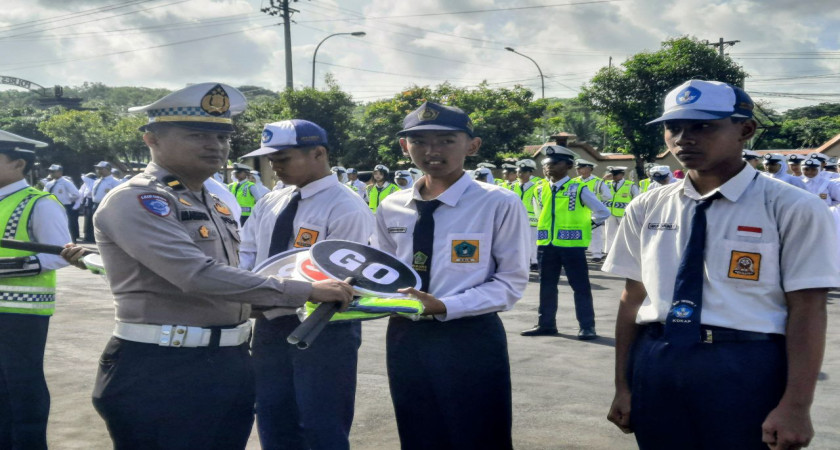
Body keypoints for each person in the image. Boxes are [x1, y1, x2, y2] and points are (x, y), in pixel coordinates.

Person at [63, 83, 354, 450]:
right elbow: (196, 275)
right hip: (162, 368)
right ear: (152, 139)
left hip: (226, 363)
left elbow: (232, 277)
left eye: (221, 135)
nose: (214, 145)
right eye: (197, 134)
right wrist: (306, 290)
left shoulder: (212, 202)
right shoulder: (138, 198)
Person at [604, 79, 839, 450]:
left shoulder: (792, 207)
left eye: (703, 126)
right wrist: (623, 385)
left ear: (745, 130)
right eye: (674, 127)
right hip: (658, 360)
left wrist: (796, 404)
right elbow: (632, 298)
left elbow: (807, 309)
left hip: (744, 365)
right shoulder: (648, 206)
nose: (684, 138)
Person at [374, 101, 529, 449]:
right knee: (417, 432)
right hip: (405, 336)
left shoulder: (497, 203)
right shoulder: (391, 205)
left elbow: (511, 281)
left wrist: (444, 306)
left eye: (446, 140)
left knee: (478, 434)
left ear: (471, 146)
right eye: (420, 141)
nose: (432, 151)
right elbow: (383, 270)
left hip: (469, 336)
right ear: (404, 147)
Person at [238, 119, 374, 450]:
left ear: (318, 153)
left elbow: (346, 280)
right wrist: (247, 295)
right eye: (271, 160)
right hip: (269, 324)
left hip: (322, 329)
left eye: (283, 158)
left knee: (320, 423)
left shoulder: (345, 206)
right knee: (272, 416)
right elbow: (248, 252)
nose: (275, 166)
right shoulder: (272, 200)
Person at [0, 131, 71, 450]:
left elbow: (60, 254)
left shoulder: (39, 202)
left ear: (18, 163)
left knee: (20, 388)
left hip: (21, 312)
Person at [521, 146, 610, 339]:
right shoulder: (539, 189)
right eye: (545, 164)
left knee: (580, 287)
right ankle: (546, 324)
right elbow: (539, 214)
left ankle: (587, 326)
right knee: (547, 287)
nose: (548, 167)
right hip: (547, 245)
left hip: (572, 246)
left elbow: (603, 212)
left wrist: (588, 226)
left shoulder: (578, 188)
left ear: (568, 165)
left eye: (554, 163)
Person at [573, 158, 612, 263]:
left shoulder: (598, 182)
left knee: (595, 234)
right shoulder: (574, 181)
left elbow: (607, 196)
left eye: (580, 168)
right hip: (578, 213)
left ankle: (596, 254)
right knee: (578, 233)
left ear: (588, 169)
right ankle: (578, 252)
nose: (577, 170)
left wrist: (596, 202)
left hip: (594, 213)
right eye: (577, 168)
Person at [514, 158, 542, 270]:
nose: (520, 174)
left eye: (524, 172)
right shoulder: (512, 186)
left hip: (532, 220)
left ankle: (534, 261)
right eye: (519, 171)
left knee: (532, 242)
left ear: (530, 173)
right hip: (515, 219)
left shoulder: (537, 187)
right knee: (516, 242)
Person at [603, 166, 638, 255]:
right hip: (610, 213)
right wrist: (603, 179)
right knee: (609, 233)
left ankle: (626, 252)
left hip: (624, 213)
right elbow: (597, 187)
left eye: (615, 174)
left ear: (622, 174)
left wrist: (632, 211)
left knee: (625, 233)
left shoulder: (630, 184)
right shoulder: (607, 184)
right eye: (612, 174)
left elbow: (637, 198)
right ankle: (609, 252)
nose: (613, 176)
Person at [44, 164, 81, 243]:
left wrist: (67, 200)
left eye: (53, 171)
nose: (51, 173)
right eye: (50, 171)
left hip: (64, 206)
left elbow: (76, 194)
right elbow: (45, 194)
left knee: (67, 225)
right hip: (52, 207)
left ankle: (71, 242)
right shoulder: (49, 184)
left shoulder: (66, 182)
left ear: (60, 172)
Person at [91, 161, 120, 226]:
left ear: (108, 169)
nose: (98, 170)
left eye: (101, 169)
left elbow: (119, 196)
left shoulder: (114, 182)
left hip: (107, 206)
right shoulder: (97, 181)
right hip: (95, 205)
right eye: (97, 169)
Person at [76, 172, 97, 243]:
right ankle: (87, 236)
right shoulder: (86, 185)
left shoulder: (94, 184)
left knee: (91, 221)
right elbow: (81, 193)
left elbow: (89, 193)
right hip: (87, 203)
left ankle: (92, 237)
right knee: (87, 220)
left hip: (92, 203)